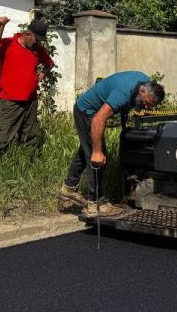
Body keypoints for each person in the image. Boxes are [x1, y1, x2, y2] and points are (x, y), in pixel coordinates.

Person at [59, 71, 165, 217]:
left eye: (150, 106)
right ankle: (95, 204)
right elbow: (98, 119)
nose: (146, 108)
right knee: (97, 157)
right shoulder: (122, 93)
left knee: (86, 150)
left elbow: (127, 106)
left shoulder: (146, 83)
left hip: (90, 111)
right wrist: (97, 152)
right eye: (146, 103)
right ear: (142, 91)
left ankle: (69, 187)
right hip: (87, 112)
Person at [0, 16, 54, 176]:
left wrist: (38, 79)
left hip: (31, 100)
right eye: (37, 39)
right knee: (3, 138)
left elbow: (49, 64)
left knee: (30, 136)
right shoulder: (8, 44)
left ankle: (25, 170)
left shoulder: (37, 49)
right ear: (28, 35)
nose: (38, 43)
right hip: (10, 101)